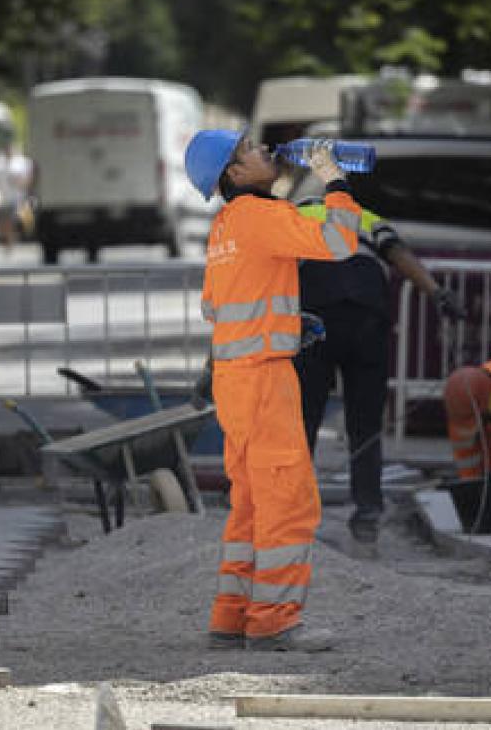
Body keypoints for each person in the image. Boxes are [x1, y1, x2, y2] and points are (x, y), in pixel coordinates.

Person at [184, 129, 362, 652]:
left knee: (251, 505)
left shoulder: (225, 227)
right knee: (288, 500)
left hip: (235, 380)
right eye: (249, 150)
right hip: (264, 378)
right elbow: (340, 241)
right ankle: (275, 622)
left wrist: (282, 319)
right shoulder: (264, 216)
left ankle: (231, 615)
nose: (263, 150)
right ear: (235, 175)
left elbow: (218, 308)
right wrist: (336, 181)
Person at [293, 200, 467, 548]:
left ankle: (295, 518)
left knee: (302, 423)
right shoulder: (365, 218)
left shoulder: (292, 214)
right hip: (367, 316)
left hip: (316, 313)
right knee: (366, 425)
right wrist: (436, 292)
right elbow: (399, 254)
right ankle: (367, 516)